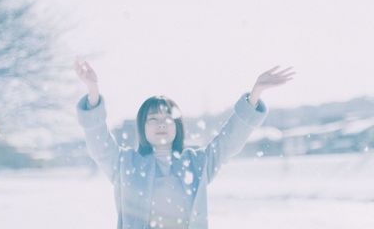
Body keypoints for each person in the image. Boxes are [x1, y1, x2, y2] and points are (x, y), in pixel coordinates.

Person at [74, 59, 295, 229]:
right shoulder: (125, 164)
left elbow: (230, 140)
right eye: (153, 119)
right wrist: (93, 91)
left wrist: (255, 94)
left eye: (167, 118)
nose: (161, 124)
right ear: (142, 127)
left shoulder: (197, 163)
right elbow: (99, 142)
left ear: (177, 125)